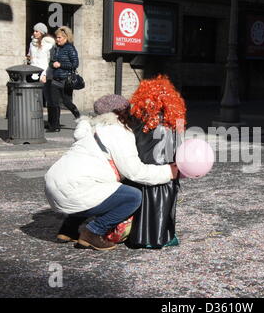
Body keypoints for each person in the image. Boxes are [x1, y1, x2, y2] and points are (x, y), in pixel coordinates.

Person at [44, 94, 179, 251]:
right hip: (75, 188)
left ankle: (68, 229)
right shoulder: (117, 132)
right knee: (132, 197)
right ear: (122, 113)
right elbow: (135, 172)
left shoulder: (92, 128)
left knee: (92, 189)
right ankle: (93, 232)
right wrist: (168, 172)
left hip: (53, 186)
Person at [123, 75, 187, 249]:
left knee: (141, 203)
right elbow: (179, 148)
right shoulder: (175, 119)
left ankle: (138, 236)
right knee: (162, 207)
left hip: (141, 171)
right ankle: (160, 237)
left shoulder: (137, 117)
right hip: (165, 171)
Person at [47, 26, 81, 132]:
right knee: (53, 103)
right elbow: (51, 62)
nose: (57, 39)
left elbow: (75, 64)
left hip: (66, 80)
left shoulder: (70, 48)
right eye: (57, 37)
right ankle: (55, 126)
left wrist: (60, 64)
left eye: (59, 38)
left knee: (67, 102)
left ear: (66, 38)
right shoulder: (56, 48)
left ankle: (79, 118)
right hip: (55, 79)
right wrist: (53, 64)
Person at [27, 22, 55, 108]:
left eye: (37, 31)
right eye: (34, 31)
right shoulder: (32, 43)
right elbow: (29, 55)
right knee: (32, 93)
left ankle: (44, 115)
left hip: (43, 71)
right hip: (32, 70)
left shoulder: (48, 44)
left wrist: (46, 74)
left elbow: (50, 60)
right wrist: (28, 58)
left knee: (44, 94)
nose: (34, 33)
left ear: (42, 33)